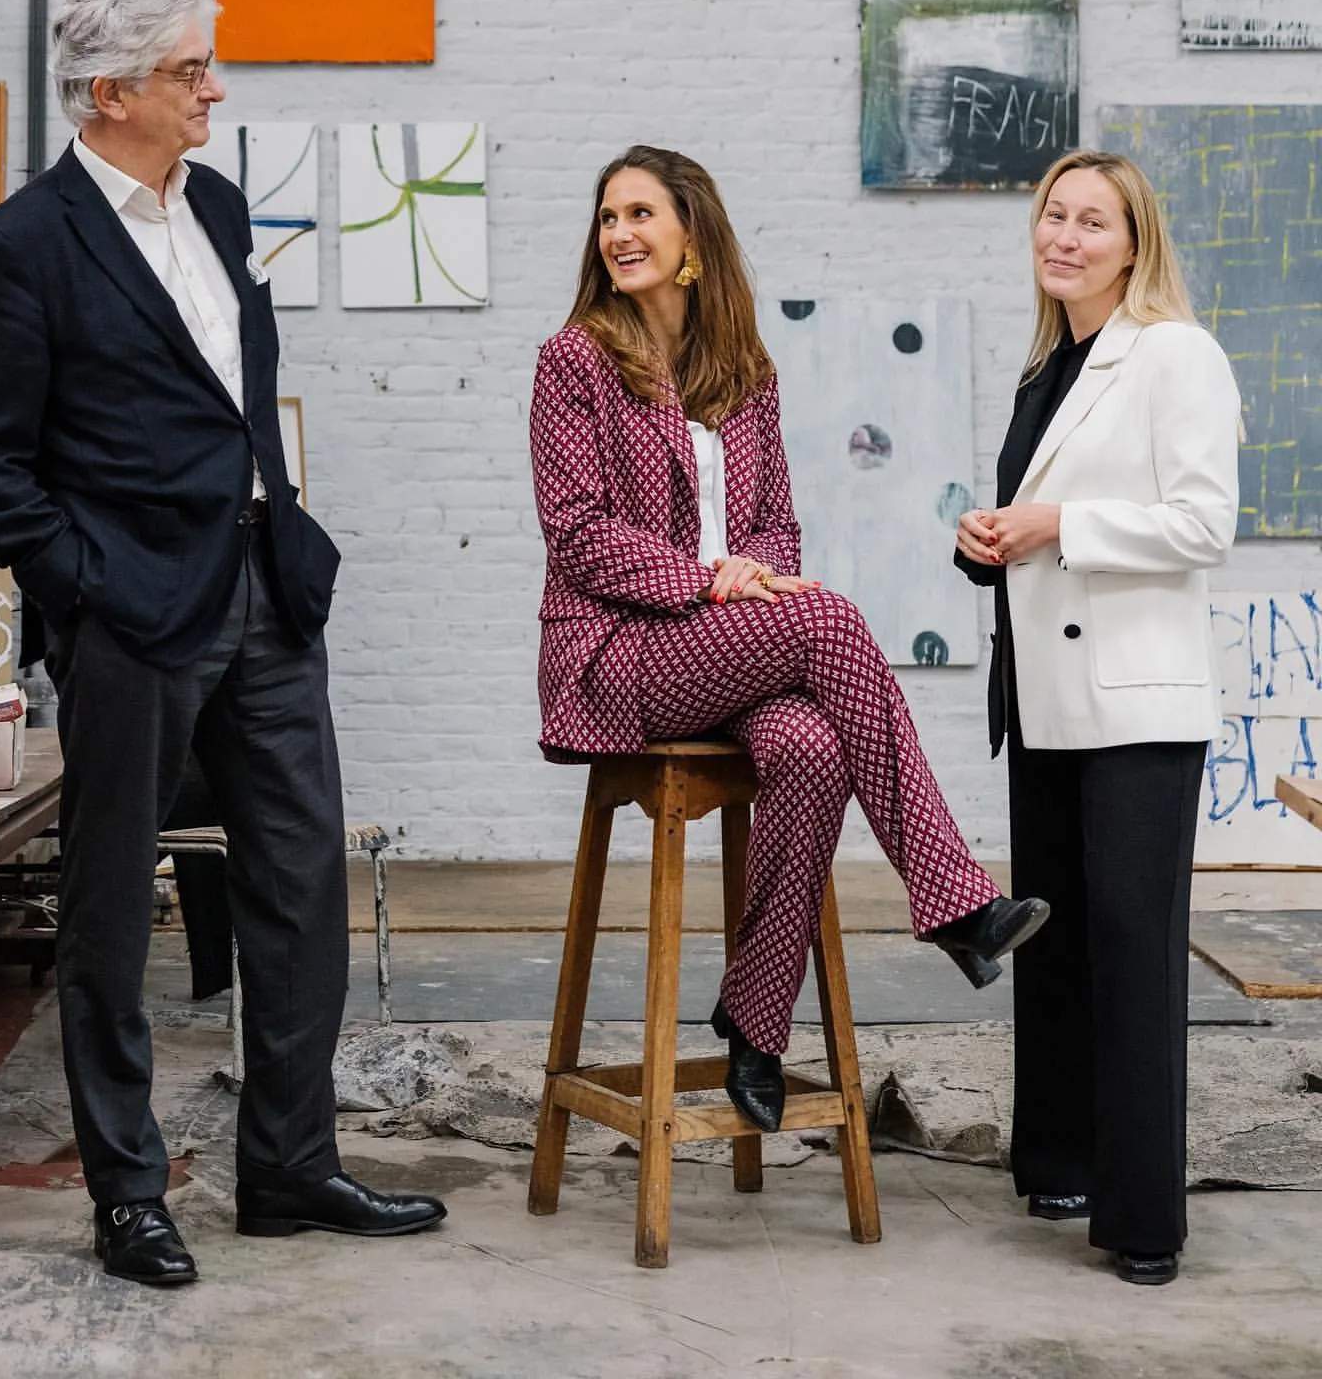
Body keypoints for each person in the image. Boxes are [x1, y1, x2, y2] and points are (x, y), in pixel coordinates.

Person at [0, 0, 445, 1286]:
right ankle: (127, 1190)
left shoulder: (213, 206)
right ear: (111, 95)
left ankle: (286, 1166)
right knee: (112, 911)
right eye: (189, 73)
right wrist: (89, 585)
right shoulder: (27, 243)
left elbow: (230, 399)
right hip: (136, 617)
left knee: (298, 886)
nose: (214, 89)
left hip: (265, 592)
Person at [529, 144, 1049, 1132]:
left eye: (642, 213)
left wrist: (747, 572)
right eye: (608, 218)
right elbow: (581, 533)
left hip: (726, 647)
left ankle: (755, 1028)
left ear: (693, 235)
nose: (620, 234)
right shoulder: (576, 364)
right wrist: (708, 582)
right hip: (621, 654)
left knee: (811, 750)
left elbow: (775, 526)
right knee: (831, 618)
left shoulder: (745, 371)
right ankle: (950, 899)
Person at [954, 148, 1240, 1287]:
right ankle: (1060, 1161)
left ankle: (1142, 1222)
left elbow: (1203, 525)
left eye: (1092, 222)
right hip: (1045, 701)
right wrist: (989, 541)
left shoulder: (1174, 353)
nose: (1065, 237)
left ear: (1134, 243)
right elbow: (1031, 527)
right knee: (1057, 953)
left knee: (1132, 960)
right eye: (1053, 217)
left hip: (1136, 707)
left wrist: (1058, 524)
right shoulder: (1047, 369)